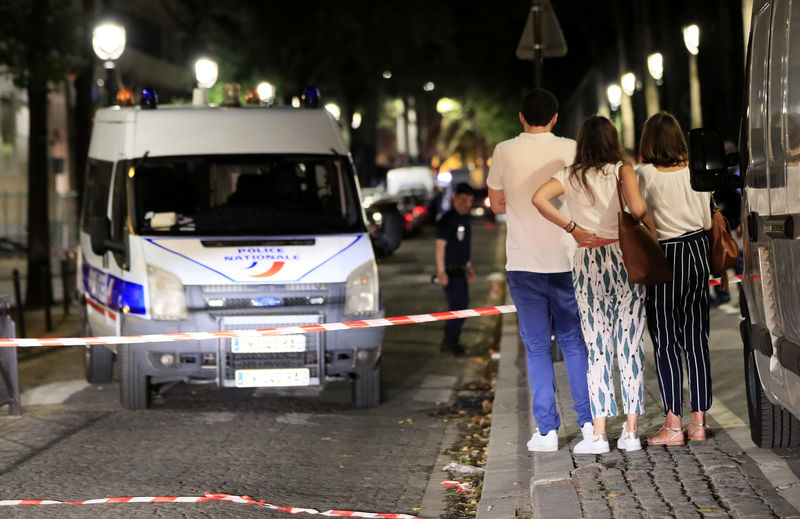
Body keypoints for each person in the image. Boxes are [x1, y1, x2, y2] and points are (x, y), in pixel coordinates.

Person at [533, 115, 648, 454]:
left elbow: (539, 199)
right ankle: (631, 433)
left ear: (582, 142)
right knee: (630, 344)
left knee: (598, 347)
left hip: (587, 259)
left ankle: (598, 436)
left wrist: (572, 227)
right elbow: (639, 210)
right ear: (612, 140)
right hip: (624, 257)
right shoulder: (622, 170)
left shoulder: (569, 175)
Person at [487, 89, 593, 452]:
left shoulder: (503, 151)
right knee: (574, 343)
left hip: (523, 262)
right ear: (555, 117)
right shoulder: (571, 148)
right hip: (568, 258)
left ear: (520, 117)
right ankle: (589, 425)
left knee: (536, 348)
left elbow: (496, 203)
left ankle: (547, 431)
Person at [637, 111, 713, 445]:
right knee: (697, 337)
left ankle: (672, 423)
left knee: (666, 339)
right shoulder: (695, 171)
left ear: (648, 142)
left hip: (665, 255)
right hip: (698, 250)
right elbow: (709, 222)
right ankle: (699, 421)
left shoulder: (644, 175)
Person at [435, 182, 476, 355]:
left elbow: (464, 246)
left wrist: (469, 267)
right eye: (465, 200)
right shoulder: (447, 219)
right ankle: (450, 341)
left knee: (462, 307)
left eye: (470, 201)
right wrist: (441, 271)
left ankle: (450, 340)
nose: (468, 204)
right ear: (456, 199)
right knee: (458, 306)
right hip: (450, 271)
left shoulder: (465, 220)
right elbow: (440, 247)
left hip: (461, 269)